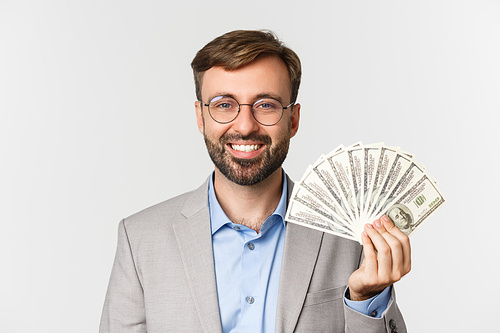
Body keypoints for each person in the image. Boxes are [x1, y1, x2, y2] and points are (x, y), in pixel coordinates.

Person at [99, 30, 411, 333]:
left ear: (293, 120)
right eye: (224, 104)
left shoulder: (352, 238)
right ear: (200, 116)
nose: (245, 126)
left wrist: (365, 299)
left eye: (266, 105)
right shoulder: (139, 239)